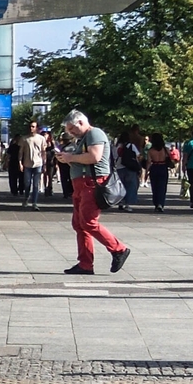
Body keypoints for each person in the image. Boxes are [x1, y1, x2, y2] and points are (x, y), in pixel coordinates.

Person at [55, 109, 130, 275]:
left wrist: (70, 158)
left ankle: (119, 249)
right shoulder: (83, 138)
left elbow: (94, 157)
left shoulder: (94, 133)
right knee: (79, 224)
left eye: (72, 129)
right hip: (82, 184)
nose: (71, 133)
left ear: (81, 122)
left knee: (88, 222)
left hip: (91, 184)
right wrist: (67, 158)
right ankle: (85, 264)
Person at [14, 120, 44, 206]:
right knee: (27, 184)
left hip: (38, 163)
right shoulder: (24, 139)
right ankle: (26, 198)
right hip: (27, 164)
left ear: (37, 128)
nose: (31, 128)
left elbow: (43, 151)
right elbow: (21, 152)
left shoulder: (41, 138)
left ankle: (34, 202)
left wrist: (44, 163)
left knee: (35, 185)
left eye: (33, 126)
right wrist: (20, 163)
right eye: (30, 126)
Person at [146, 132, 174, 213]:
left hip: (154, 167)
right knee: (162, 187)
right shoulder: (166, 149)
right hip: (163, 167)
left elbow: (148, 162)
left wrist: (147, 172)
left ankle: (156, 203)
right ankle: (161, 204)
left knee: (154, 187)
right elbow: (171, 159)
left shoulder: (150, 151)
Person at [115, 132, 143, 211]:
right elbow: (138, 156)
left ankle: (120, 202)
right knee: (130, 186)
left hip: (119, 168)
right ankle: (128, 204)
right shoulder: (131, 145)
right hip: (130, 168)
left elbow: (113, 157)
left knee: (120, 186)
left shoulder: (116, 146)